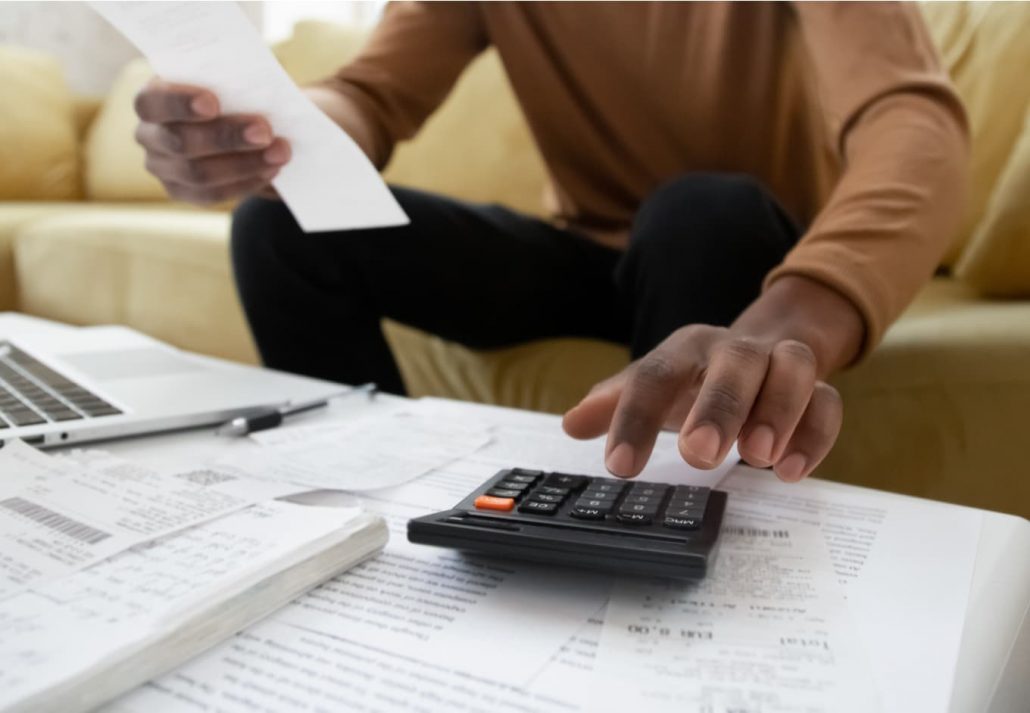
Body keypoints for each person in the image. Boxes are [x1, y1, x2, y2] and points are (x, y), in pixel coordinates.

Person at [133, 2, 967, 483]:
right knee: (281, 228)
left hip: (739, 263)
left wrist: (792, 316)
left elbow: (911, 118)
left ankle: (660, 524)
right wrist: (264, 136)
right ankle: (359, 497)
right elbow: (369, 95)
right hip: (586, 257)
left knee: (698, 209)